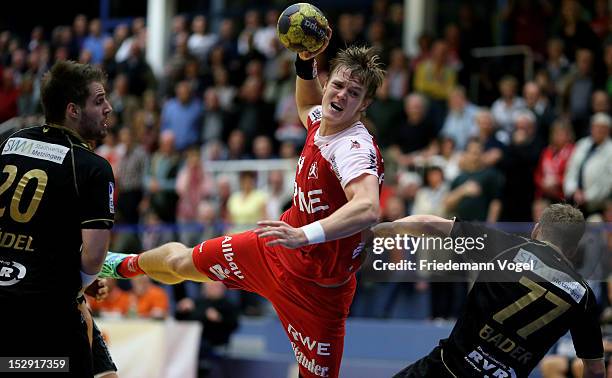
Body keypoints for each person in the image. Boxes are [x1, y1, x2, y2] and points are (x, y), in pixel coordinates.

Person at [102, 30, 386, 378]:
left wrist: (305, 235)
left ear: (364, 105)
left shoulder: (353, 147)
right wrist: (305, 60)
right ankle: (119, 265)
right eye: (338, 85)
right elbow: (304, 104)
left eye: (354, 93)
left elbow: (368, 207)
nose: (342, 95)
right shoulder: (320, 120)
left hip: (319, 294)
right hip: (274, 252)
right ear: (327, 83)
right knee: (182, 262)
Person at [373, 203, 605, 378]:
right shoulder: (583, 296)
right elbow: (595, 369)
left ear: (536, 230)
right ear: (573, 249)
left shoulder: (506, 246)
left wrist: (384, 230)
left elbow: (428, 223)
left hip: (445, 369)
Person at [0, 60, 114, 376]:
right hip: (45, 316)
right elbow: (93, 259)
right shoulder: (93, 167)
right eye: (99, 100)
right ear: (73, 110)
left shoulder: (12, 140)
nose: (108, 108)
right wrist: (77, 284)